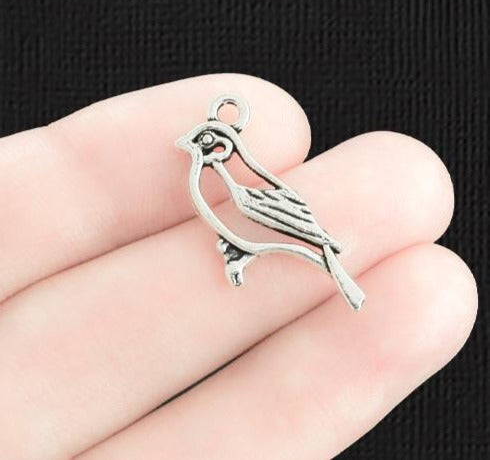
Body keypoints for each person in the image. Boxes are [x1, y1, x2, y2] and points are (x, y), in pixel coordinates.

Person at [0, 74, 477, 459]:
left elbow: (274, 213)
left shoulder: (232, 179)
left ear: (221, 146)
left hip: (289, 231)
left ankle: (328, 276)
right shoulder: (211, 175)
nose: (193, 146)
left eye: (203, 141)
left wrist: (313, 244)